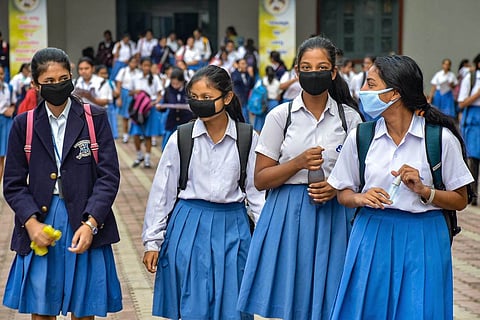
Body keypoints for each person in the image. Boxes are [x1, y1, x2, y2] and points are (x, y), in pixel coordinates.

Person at [328, 55, 473, 319]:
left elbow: (460, 199)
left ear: (393, 93)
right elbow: (343, 193)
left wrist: (424, 191)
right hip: (371, 234)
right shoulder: (361, 136)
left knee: (419, 309)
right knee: (367, 309)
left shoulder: (439, 139)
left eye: (371, 85)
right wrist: (361, 198)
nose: (363, 92)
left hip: (425, 237)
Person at [237, 36, 362, 320]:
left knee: (332, 298)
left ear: (333, 73)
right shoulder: (281, 116)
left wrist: (335, 186)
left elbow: (359, 177)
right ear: (296, 72)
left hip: (334, 214)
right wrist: (297, 163)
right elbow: (261, 179)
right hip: (288, 213)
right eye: (306, 67)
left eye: (321, 67)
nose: (313, 73)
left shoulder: (350, 119)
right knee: (292, 296)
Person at [2, 47, 122, 319]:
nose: (58, 86)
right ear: (35, 84)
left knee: (84, 310)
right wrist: (30, 223)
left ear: (72, 77)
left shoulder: (95, 118)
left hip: (85, 219)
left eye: (63, 78)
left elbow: (109, 176)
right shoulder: (24, 124)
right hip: (41, 220)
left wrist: (92, 223)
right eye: (49, 82)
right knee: (41, 310)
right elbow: (13, 183)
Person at [142, 65, 265, 319]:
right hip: (188, 226)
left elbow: (256, 195)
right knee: (192, 305)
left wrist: (266, 242)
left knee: (234, 305)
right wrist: (152, 241)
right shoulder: (181, 138)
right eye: (194, 98)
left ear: (227, 97)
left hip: (234, 228)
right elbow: (162, 193)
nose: (200, 104)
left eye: (207, 98)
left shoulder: (247, 138)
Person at [130, 57, 163, 168]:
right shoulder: (135, 78)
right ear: (140, 66)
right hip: (138, 108)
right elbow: (129, 92)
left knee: (148, 134)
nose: (146, 68)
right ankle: (139, 155)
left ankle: (147, 158)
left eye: (148, 65)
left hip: (149, 107)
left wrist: (154, 102)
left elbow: (159, 94)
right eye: (144, 65)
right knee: (135, 133)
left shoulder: (155, 78)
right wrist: (136, 92)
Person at [458, 53, 480, 206]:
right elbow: (461, 103)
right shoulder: (471, 79)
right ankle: (472, 194)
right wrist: (477, 95)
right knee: (473, 159)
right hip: (473, 120)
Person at [158, 67, 192, 150]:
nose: (175, 86)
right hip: (172, 122)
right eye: (173, 83)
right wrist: (160, 108)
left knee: (184, 147)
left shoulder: (189, 90)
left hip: (186, 121)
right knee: (168, 146)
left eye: (177, 83)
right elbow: (165, 106)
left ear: (182, 81)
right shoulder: (168, 90)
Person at [115, 56, 141, 143]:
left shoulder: (138, 72)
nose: (133, 64)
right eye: (132, 62)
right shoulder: (123, 71)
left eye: (135, 62)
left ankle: (136, 134)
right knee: (125, 116)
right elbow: (119, 84)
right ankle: (125, 135)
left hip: (135, 94)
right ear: (129, 62)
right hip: (125, 93)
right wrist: (118, 97)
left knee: (135, 115)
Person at [253, 66, 281, 132]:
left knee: (259, 124)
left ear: (265, 73)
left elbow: (256, 92)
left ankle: (258, 140)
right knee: (272, 124)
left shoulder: (261, 81)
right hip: (274, 104)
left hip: (262, 103)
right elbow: (278, 96)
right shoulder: (277, 82)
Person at [0, 64, 15, 182]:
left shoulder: (8, 87)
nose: (0, 76)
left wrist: (11, 109)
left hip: (5, 122)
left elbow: (13, 103)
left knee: (2, 156)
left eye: (1, 74)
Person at [96, 64, 119, 139]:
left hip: (110, 106)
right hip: (99, 106)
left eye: (105, 73)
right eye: (101, 73)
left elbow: (116, 94)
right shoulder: (95, 83)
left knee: (111, 122)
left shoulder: (110, 83)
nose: (104, 75)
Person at [231, 58, 255, 123]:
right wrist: (237, 69)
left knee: (246, 115)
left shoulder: (247, 74)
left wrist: (251, 76)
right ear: (238, 65)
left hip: (246, 98)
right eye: (242, 64)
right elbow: (235, 80)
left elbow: (250, 85)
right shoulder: (235, 73)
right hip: (239, 98)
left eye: (245, 64)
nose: (245, 66)